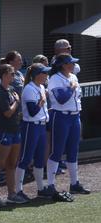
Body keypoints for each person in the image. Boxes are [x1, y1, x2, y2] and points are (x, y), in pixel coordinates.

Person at [46, 54, 90, 195]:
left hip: (75, 117)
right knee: (57, 151)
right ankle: (51, 185)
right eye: (70, 63)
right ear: (63, 65)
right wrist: (71, 88)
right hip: (61, 117)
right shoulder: (55, 79)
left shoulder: (73, 76)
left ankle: (74, 183)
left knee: (73, 151)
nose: (72, 65)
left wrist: (72, 86)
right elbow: (61, 99)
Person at [15, 63, 54, 199]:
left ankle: (40, 188)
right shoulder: (29, 89)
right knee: (25, 158)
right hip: (31, 126)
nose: (46, 75)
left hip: (41, 126)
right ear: (37, 75)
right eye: (44, 73)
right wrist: (41, 102)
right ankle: (18, 190)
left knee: (39, 159)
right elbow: (32, 112)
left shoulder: (41, 87)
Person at [0, 64, 23, 204]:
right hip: (4, 131)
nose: (13, 76)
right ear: (4, 75)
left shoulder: (11, 89)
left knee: (12, 164)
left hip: (15, 130)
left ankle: (12, 193)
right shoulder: (0, 93)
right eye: (11, 74)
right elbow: (8, 113)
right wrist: (16, 101)